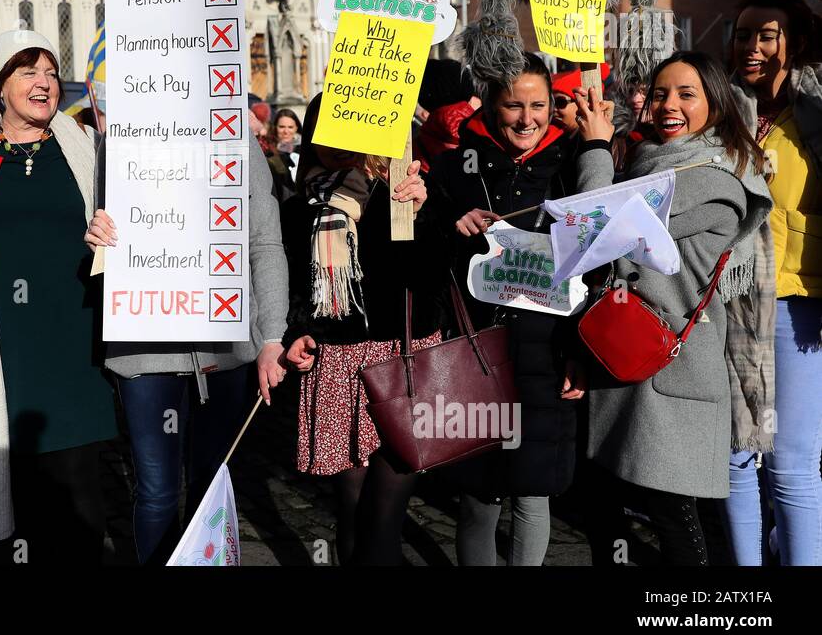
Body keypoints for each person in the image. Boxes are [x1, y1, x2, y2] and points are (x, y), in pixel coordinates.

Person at [573, 51, 771, 566]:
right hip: (625, 354)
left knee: (674, 517)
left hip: (667, 370)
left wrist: (594, 145)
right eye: (661, 93)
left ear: (716, 104)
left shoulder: (710, 179)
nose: (669, 105)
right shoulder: (647, 162)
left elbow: (597, 226)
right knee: (613, 506)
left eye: (687, 94)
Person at [0, 30, 116, 564]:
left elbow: (126, 220)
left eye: (51, 72)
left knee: (82, 503)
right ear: (1, 86)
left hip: (74, 345)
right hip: (1, 347)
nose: (44, 83)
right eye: (28, 72)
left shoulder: (85, 149)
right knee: (24, 498)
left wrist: (108, 232)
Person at [85, 119, 288, 567]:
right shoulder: (120, 135)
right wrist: (97, 234)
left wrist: (272, 335)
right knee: (157, 491)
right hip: (144, 345)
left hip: (224, 347)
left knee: (212, 482)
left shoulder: (237, 137)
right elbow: (99, 223)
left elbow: (264, 240)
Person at [430, 52, 581, 566]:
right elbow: (423, 250)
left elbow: (601, 258)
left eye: (538, 105)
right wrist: (450, 219)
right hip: (477, 351)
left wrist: (580, 354)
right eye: (513, 105)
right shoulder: (455, 164)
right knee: (478, 495)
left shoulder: (572, 163)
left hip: (547, 354)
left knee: (533, 494)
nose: (527, 118)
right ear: (492, 105)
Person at [279, 95, 436, 565]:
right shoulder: (299, 207)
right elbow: (294, 290)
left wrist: (420, 211)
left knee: (382, 516)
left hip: (400, 360)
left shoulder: (400, 192)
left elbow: (429, 279)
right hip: (338, 370)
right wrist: (295, 333)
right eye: (326, 129)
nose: (337, 141)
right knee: (350, 512)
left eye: (349, 128)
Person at [722, 0, 822, 565]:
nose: (752, 47)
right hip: (731, 302)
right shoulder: (721, 112)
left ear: (797, 43)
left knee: (788, 461)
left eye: (767, 35)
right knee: (737, 452)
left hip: (799, 303)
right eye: (742, 35)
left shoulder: (817, 114)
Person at [267, 108, 301, 202]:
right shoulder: (268, 152)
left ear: (296, 128)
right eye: (281, 127)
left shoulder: (305, 150)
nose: (286, 131)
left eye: (290, 127)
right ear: (275, 127)